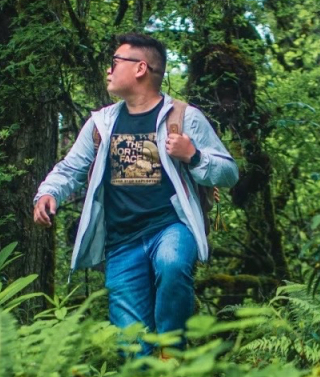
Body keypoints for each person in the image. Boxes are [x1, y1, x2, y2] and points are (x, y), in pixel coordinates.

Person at [33, 33, 238, 343]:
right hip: (121, 242)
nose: (109, 70)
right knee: (129, 339)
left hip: (170, 227)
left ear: (141, 68)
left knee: (172, 265)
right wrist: (48, 193)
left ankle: (170, 353)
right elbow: (71, 168)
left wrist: (193, 156)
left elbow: (229, 172)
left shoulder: (183, 118)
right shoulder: (102, 123)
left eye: (115, 62)